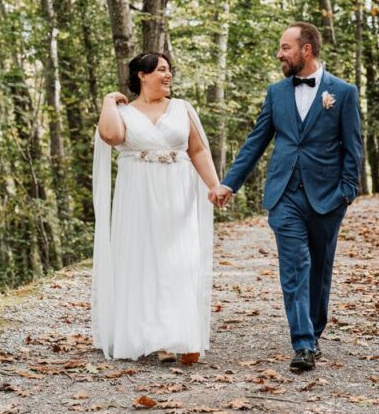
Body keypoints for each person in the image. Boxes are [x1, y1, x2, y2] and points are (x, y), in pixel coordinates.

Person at [211, 23, 363, 372]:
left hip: (327, 197)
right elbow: (255, 142)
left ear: (306, 50)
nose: (280, 54)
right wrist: (229, 183)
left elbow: (353, 148)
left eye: (285, 48)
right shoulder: (276, 93)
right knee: (295, 265)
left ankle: (314, 330)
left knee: (320, 269)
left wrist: (347, 192)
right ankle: (303, 343)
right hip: (284, 195)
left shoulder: (343, 92)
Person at [92, 52, 223, 361]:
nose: (168, 75)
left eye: (169, 70)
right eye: (161, 70)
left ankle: (183, 336)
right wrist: (109, 101)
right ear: (142, 74)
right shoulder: (123, 112)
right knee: (142, 261)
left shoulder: (182, 108)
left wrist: (214, 185)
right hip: (137, 195)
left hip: (177, 192)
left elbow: (198, 150)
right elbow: (111, 135)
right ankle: (154, 340)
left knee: (178, 260)